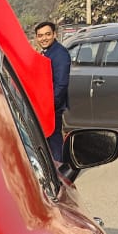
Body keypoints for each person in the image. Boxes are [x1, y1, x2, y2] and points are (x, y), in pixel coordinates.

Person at [34, 21, 70, 163]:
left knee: (54, 142)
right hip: (44, 107)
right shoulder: (47, 52)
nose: (44, 38)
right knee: (47, 142)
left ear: (54, 34)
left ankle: (59, 172)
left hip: (52, 108)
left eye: (47, 34)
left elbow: (61, 84)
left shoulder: (60, 54)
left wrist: (50, 105)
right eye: (40, 35)